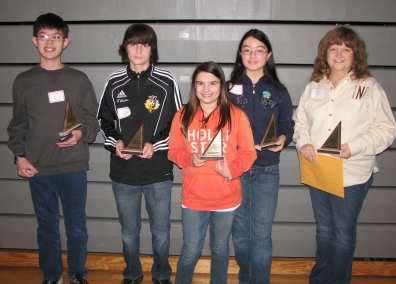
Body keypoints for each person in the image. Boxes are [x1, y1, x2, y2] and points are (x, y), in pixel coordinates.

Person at [293, 26, 396, 284]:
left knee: (342, 235)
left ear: (355, 54)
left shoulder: (369, 87)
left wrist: (355, 146)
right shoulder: (315, 86)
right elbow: (301, 123)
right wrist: (303, 142)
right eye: (333, 48)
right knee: (324, 231)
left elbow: (387, 130)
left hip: (351, 175)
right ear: (325, 53)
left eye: (346, 49)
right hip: (318, 170)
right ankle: (320, 280)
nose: (339, 54)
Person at [7, 13, 99, 284]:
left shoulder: (79, 79)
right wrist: (19, 156)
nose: (50, 42)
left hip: (73, 166)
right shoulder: (23, 81)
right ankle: (51, 276)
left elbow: (92, 120)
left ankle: (78, 274)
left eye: (56, 37)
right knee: (46, 227)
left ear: (65, 42)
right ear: (34, 40)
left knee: (77, 227)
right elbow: (18, 125)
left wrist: (81, 133)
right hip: (39, 168)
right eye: (44, 36)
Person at [96, 23, 182, 284]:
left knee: (161, 232)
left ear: (151, 49)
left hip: (157, 171)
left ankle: (161, 275)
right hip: (123, 172)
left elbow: (177, 121)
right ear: (125, 48)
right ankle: (132, 274)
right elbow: (104, 119)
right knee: (129, 233)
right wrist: (116, 142)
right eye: (133, 43)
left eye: (145, 44)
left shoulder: (167, 81)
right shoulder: (114, 81)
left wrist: (154, 145)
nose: (138, 49)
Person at [168, 61, 257, 284]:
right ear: (194, 86)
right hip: (194, 198)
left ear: (222, 86)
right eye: (200, 83)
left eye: (212, 83)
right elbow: (173, 151)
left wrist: (232, 170)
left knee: (219, 249)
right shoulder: (182, 115)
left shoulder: (236, 115)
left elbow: (249, 152)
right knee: (190, 251)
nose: (206, 89)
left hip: (226, 198)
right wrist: (188, 158)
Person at [228, 29, 294, 284]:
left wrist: (283, 139)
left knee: (262, 236)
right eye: (247, 50)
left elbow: (287, 125)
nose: (252, 55)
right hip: (238, 170)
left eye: (259, 50)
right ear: (240, 54)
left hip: (267, 171)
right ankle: (248, 279)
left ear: (268, 55)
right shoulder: (227, 89)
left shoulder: (279, 90)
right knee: (241, 233)